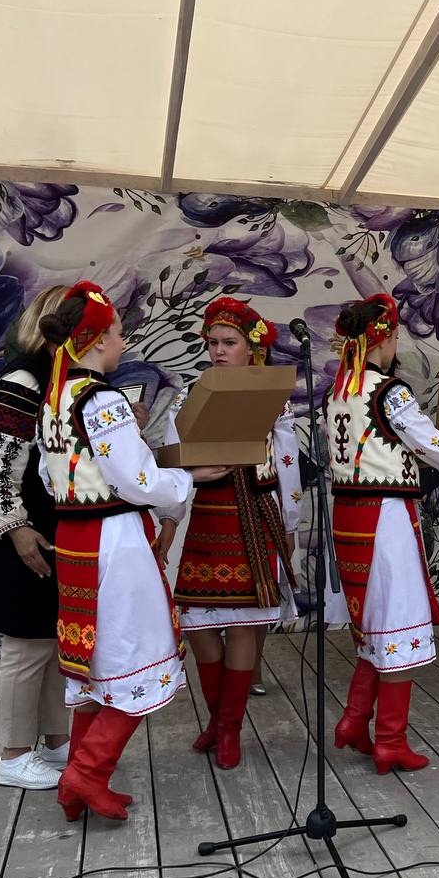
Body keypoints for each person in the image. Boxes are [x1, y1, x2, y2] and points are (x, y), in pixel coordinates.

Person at [37, 281, 228, 821]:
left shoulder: (56, 400)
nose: (123, 344)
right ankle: (87, 772)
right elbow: (136, 479)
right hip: (112, 542)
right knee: (137, 654)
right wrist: (185, 478)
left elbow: (53, 480)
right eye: (119, 334)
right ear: (97, 341)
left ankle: (77, 783)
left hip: (75, 541)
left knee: (96, 660)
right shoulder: (101, 399)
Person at [327, 294, 439, 774]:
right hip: (384, 520)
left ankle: (353, 720)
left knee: (376, 625)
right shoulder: (389, 392)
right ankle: (390, 740)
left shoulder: (339, 391)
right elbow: (436, 449)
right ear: (383, 338)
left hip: (349, 519)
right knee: (398, 624)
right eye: (394, 337)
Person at [161, 298, 302, 770]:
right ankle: (218, 718)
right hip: (204, 512)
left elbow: (287, 464)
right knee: (199, 625)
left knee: (244, 623)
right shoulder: (189, 395)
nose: (219, 351)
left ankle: (229, 728)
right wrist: (168, 520)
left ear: (251, 348)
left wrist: (290, 525)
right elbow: (172, 456)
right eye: (213, 343)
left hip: (255, 513)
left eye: (230, 343)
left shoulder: (272, 398)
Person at [0, 286, 75, 791]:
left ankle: (55, 739)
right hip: (17, 530)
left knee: (47, 638)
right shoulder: (22, 380)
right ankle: (13, 754)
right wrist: (17, 528)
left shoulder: (51, 379)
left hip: (38, 526)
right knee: (26, 644)